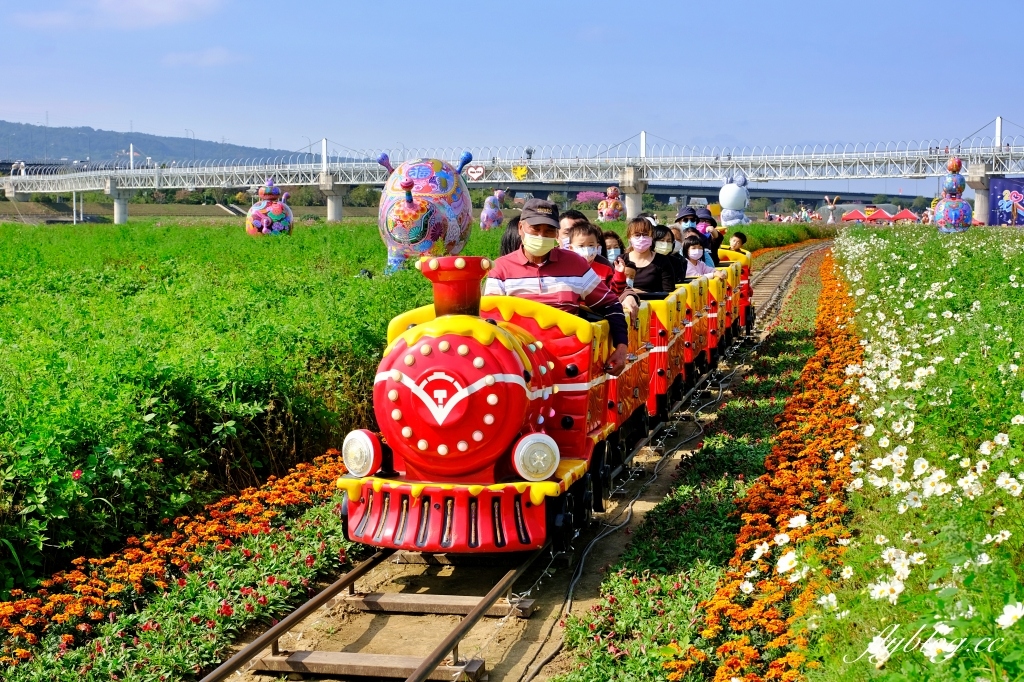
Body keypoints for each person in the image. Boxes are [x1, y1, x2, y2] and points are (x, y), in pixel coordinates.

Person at [485, 199, 629, 375]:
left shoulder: (576, 264)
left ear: (556, 234)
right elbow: (491, 322)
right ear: (521, 228)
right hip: (519, 367)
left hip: (569, 364)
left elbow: (610, 305)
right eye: (535, 229)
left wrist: (621, 348)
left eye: (549, 231)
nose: (541, 236)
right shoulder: (500, 269)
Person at [567, 222, 627, 297]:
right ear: (571, 248)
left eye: (591, 245)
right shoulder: (566, 270)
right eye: (581, 246)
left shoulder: (606, 270)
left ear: (597, 247)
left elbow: (614, 293)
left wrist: (619, 275)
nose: (586, 250)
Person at [623, 218, 676, 293]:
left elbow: (669, 292)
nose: (641, 238)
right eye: (637, 235)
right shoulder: (621, 260)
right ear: (629, 238)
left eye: (645, 235)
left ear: (652, 237)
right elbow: (612, 289)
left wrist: (643, 294)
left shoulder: (662, 261)